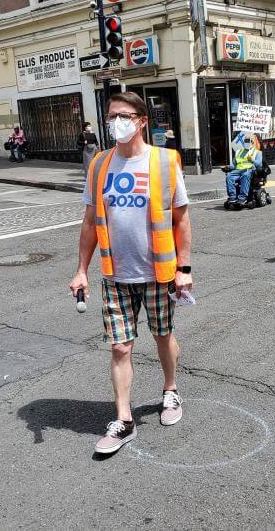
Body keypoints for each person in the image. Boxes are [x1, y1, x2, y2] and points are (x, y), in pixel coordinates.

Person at [68, 92, 192, 455]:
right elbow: (90, 221)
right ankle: (123, 420)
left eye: (123, 115)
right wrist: (81, 270)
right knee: (120, 346)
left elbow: (181, 220)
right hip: (115, 274)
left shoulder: (165, 162)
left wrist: (184, 269)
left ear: (141, 120)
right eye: (110, 116)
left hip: (159, 273)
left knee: (162, 334)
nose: (115, 122)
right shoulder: (100, 165)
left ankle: (170, 390)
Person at [224, 132, 263, 207]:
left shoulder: (257, 152)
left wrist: (252, 160)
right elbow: (234, 165)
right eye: (246, 141)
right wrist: (229, 167)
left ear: (252, 143)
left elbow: (259, 165)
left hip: (249, 170)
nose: (247, 143)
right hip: (238, 170)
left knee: (245, 175)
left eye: (249, 141)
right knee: (229, 176)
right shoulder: (238, 152)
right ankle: (232, 197)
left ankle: (242, 198)